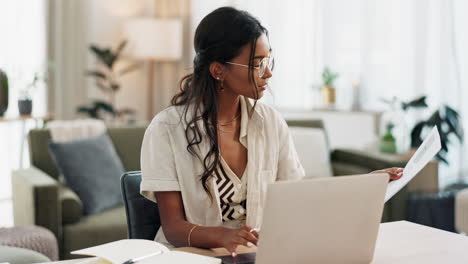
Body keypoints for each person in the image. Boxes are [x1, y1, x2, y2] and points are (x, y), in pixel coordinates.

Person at [140, 6, 403, 256]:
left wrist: (364, 185)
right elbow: (174, 228)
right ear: (218, 70)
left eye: (268, 61)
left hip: (256, 254)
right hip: (193, 256)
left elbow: (299, 197)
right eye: (256, 64)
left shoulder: (269, 122)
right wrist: (222, 236)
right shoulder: (166, 129)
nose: (268, 74)